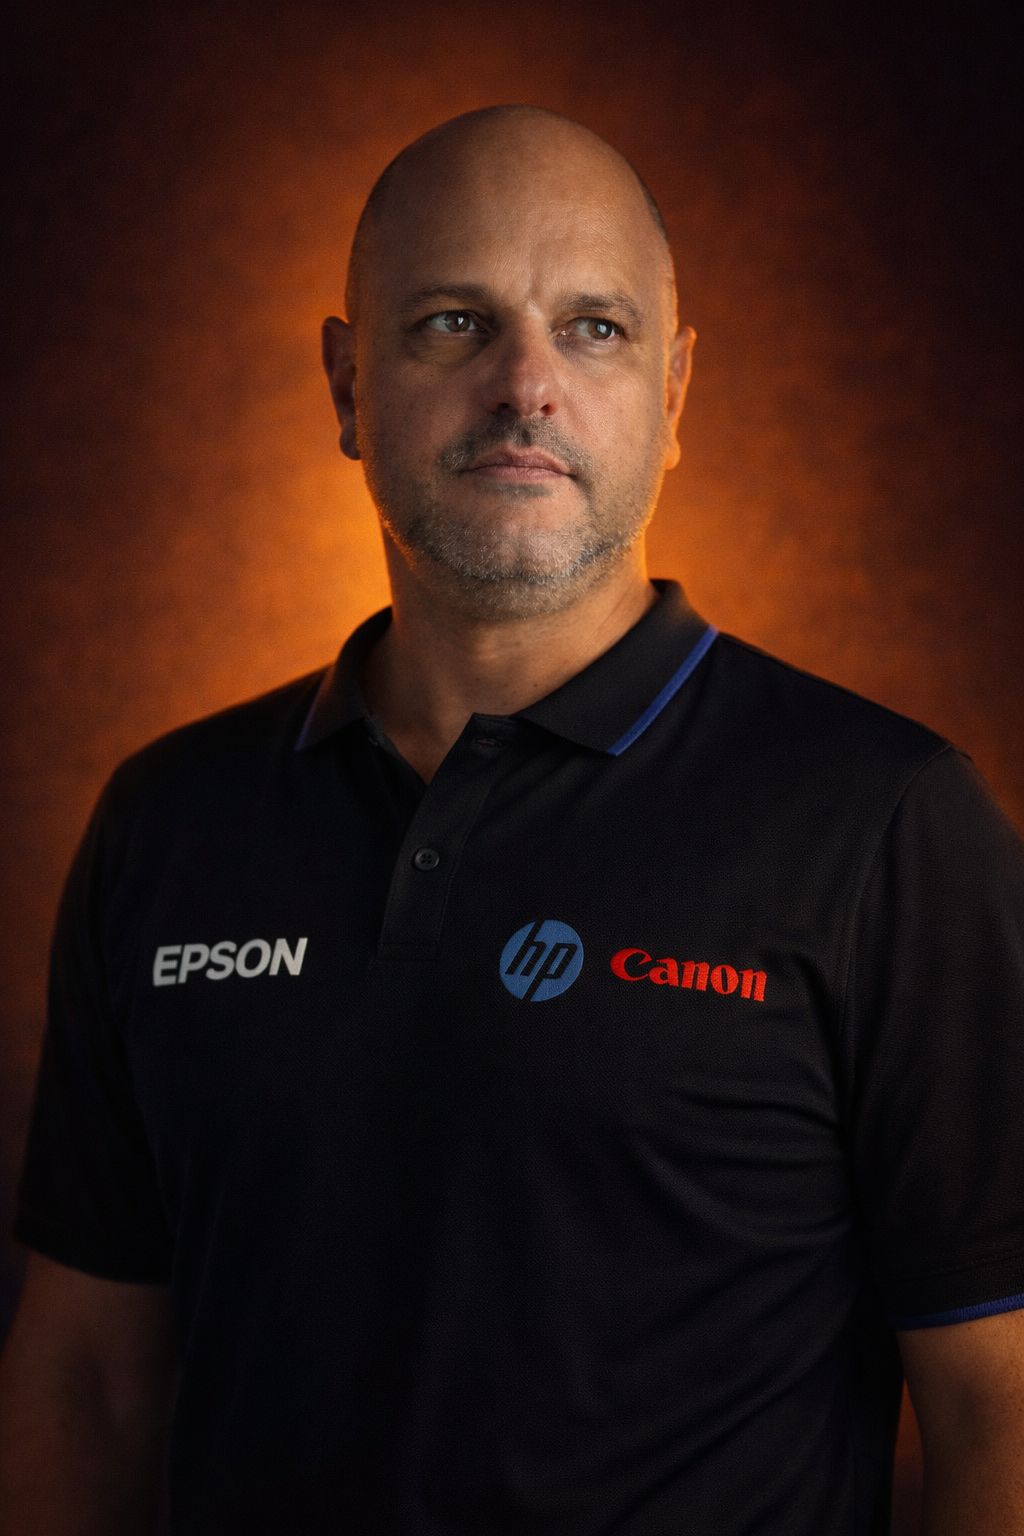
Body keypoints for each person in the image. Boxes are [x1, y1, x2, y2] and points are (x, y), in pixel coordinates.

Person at [1, 104, 1022, 1536]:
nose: (526, 385)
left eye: (594, 329)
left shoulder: (886, 823)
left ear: (674, 395)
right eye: (451, 324)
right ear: (348, 384)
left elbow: (999, 1407)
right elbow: (88, 1384)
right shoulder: (169, 823)